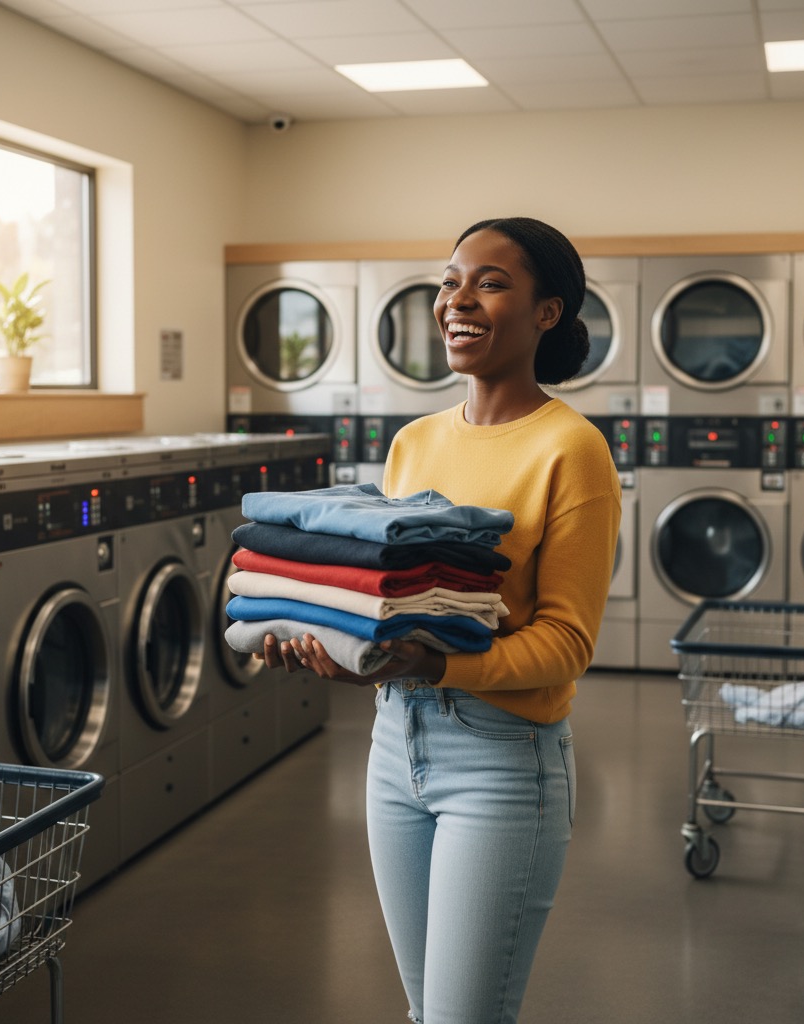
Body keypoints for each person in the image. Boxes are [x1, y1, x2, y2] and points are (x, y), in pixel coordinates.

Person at [257, 216, 622, 1023]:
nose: (458, 299)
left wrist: (438, 666)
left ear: (547, 313)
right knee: (427, 1015)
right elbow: (395, 602)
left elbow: (567, 643)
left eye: (490, 282)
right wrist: (343, 646)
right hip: (395, 748)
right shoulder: (413, 443)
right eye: (450, 280)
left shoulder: (572, 448)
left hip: (501, 763)